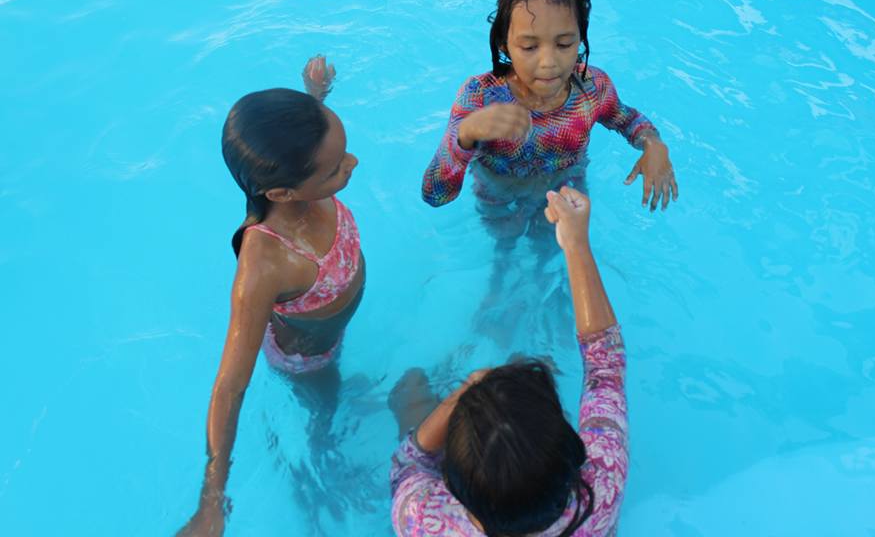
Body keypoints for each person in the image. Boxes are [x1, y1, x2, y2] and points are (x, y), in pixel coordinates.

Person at [178, 57, 363, 536]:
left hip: (330, 325)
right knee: (325, 403)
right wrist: (212, 498)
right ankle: (316, 467)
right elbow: (229, 387)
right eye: (335, 170)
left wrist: (314, 96)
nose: (352, 163)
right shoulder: (264, 264)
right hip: (311, 355)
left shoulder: (304, 166)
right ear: (282, 193)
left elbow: (313, 146)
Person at [391, 186, 628, 536]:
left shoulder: (424, 519)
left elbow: (409, 464)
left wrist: (471, 387)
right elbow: (605, 366)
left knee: (409, 388)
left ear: (452, 490)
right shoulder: (603, 488)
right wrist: (576, 244)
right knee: (529, 370)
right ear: (574, 455)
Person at [422, 0, 678, 225]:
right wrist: (466, 135)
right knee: (504, 241)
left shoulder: (592, 89)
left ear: (581, 38)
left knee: (554, 244)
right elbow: (435, 195)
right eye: (529, 47)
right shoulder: (480, 97)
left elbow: (628, 120)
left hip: (564, 193)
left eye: (564, 44)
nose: (549, 62)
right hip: (498, 196)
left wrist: (654, 144)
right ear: (504, 45)